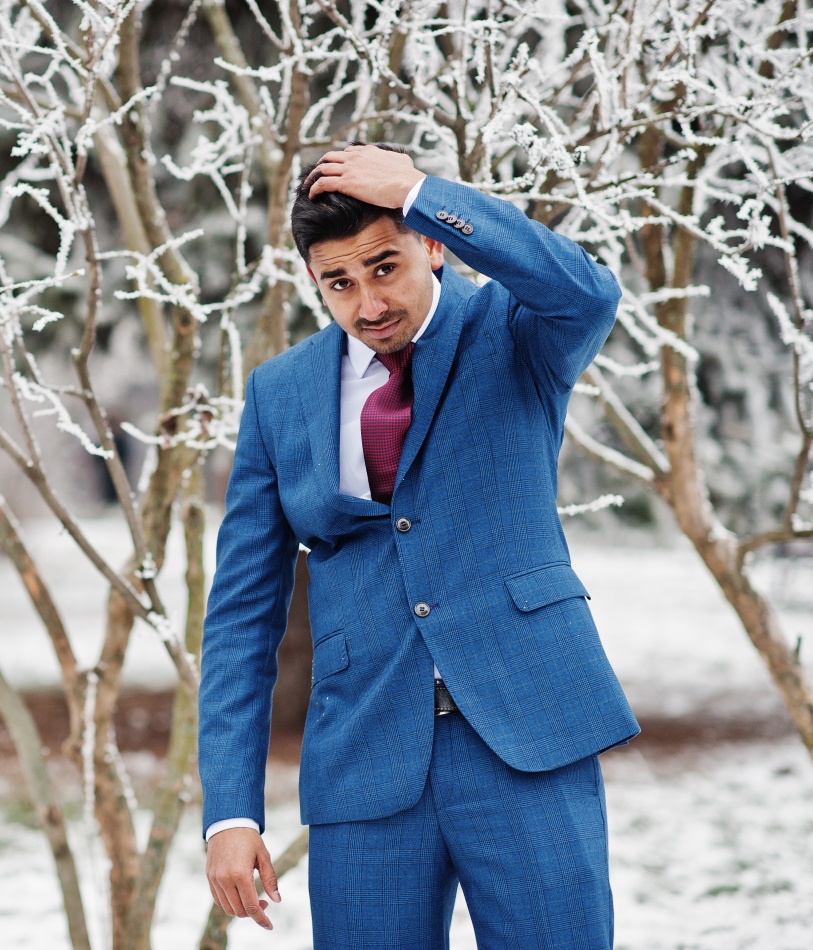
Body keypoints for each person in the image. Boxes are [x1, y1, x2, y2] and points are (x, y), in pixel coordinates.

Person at [197, 143, 640, 949]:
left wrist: (417, 190)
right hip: (364, 754)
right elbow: (240, 617)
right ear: (314, 282)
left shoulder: (516, 332)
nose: (367, 302)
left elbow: (589, 290)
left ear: (432, 244)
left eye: (384, 266)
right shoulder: (279, 395)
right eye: (340, 281)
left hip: (526, 734)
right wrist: (230, 810)